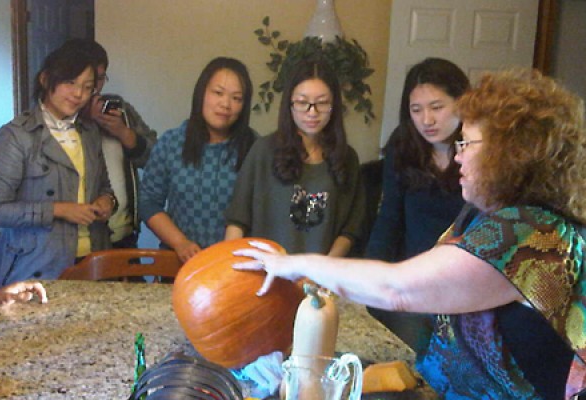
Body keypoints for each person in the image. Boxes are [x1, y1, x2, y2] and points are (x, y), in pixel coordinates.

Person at [233, 69, 586, 399]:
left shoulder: (530, 236)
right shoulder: (503, 217)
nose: (459, 157)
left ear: (512, 155)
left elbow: (397, 288)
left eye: (469, 144)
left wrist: (292, 265)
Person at [0, 44, 115, 286]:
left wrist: (107, 201)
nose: (79, 94)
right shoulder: (17, 135)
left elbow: (104, 187)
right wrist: (58, 209)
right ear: (46, 80)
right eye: (70, 83)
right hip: (36, 265)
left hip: (93, 260)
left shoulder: (89, 132)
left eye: (87, 87)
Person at [365, 58, 469, 351]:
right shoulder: (403, 145)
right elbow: (388, 219)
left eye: (437, 107)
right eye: (416, 110)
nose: (427, 120)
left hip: (467, 283)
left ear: (462, 102)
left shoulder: (480, 151)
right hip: (416, 279)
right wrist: (371, 276)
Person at [224, 57, 364, 257]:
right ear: (289, 104)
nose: (312, 112)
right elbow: (237, 221)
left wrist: (322, 271)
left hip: (320, 279)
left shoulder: (347, 158)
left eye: (322, 103)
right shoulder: (263, 150)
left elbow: (350, 230)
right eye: (302, 102)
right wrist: (228, 269)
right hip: (266, 275)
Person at [139, 57, 256, 263]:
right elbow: (148, 202)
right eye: (218, 93)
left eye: (236, 98)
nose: (225, 104)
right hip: (178, 263)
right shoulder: (172, 143)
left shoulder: (256, 148)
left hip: (236, 267)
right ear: (202, 93)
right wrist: (180, 243)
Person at [63, 39, 157, 249]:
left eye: (100, 77)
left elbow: (156, 159)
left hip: (124, 233)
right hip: (76, 239)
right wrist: (84, 118)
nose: (94, 86)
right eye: (89, 78)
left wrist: (125, 134)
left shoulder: (119, 109)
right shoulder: (58, 116)